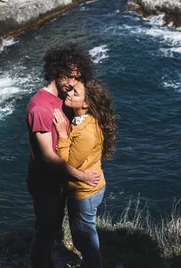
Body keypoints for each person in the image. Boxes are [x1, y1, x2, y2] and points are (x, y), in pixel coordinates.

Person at [26, 42, 100, 268]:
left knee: (52, 229)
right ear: (55, 72)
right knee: (45, 235)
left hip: (59, 181)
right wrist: (81, 176)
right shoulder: (40, 108)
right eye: (68, 76)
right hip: (46, 182)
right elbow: (48, 156)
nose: (72, 83)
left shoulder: (64, 97)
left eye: (76, 77)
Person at [52, 78, 117, 268]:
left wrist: (63, 135)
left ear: (87, 103)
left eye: (75, 93)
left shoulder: (87, 132)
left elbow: (68, 164)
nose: (69, 93)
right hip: (87, 189)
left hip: (84, 193)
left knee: (85, 242)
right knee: (85, 237)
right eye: (71, 89)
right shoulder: (82, 120)